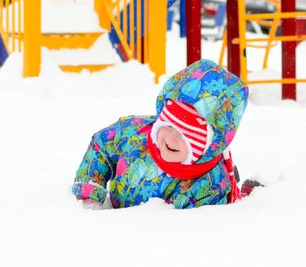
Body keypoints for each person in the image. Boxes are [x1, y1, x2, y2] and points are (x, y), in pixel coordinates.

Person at [71, 59, 259, 209]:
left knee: (237, 203)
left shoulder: (208, 184)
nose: (170, 138)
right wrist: (90, 193)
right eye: (168, 126)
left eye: (185, 136)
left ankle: (251, 193)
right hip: (122, 210)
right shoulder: (134, 134)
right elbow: (101, 146)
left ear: (206, 145)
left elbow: (191, 232)